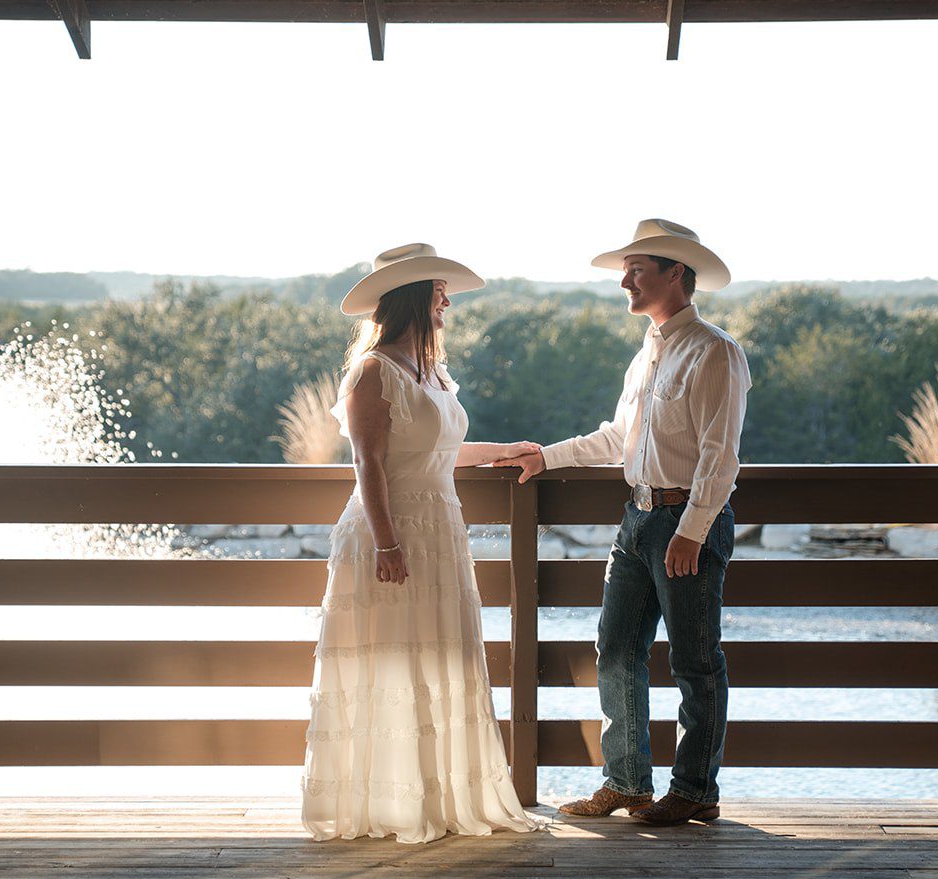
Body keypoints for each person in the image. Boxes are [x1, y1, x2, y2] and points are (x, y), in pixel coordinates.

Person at [495, 220, 751, 827]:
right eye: (624, 270)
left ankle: (695, 792)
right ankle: (629, 784)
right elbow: (617, 438)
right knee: (614, 650)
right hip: (635, 518)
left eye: (637, 270)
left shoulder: (715, 351)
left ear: (676, 275)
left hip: (684, 523)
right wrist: (545, 457)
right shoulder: (647, 354)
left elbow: (721, 454)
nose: (624, 282)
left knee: (694, 662)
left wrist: (692, 529)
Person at [302, 242, 545, 844]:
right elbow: (370, 464)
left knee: (441, 657)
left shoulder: (432, 372)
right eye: (439, 290)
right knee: (391, 659)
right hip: (390, 534)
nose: (447, 300)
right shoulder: (373, 371)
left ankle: (438, 797)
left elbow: (437, 453)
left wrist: (506, 451)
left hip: (441, 529)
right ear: (414, 296)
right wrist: (387, 545)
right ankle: (388, 803)